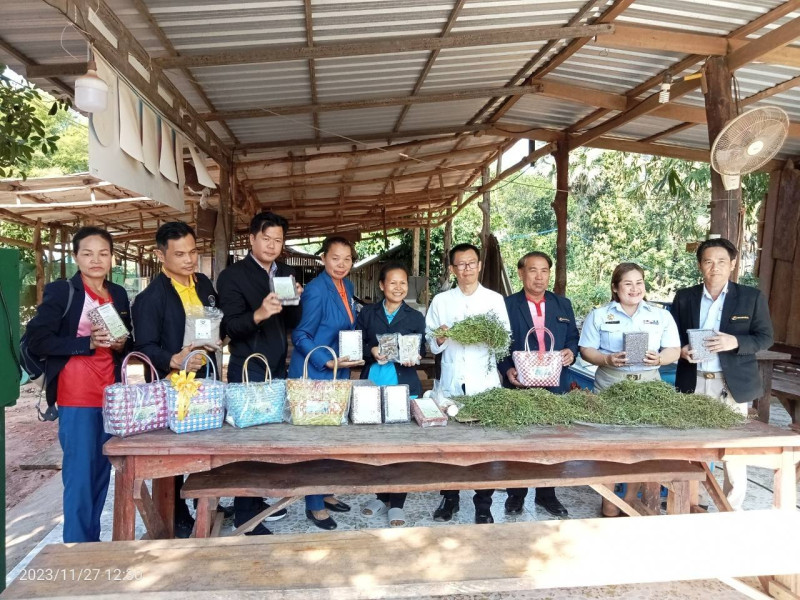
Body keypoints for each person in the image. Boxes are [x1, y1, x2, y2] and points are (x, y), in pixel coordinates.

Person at [26, 227, 131, 542]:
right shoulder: (64, 291)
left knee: (101, 473)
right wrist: (86, 343)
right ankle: (75, 548)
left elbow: (127, 341)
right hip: (76, 396)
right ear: (75, 257)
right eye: (87, 253)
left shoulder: (118, 293)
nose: (96, 260)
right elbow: (38, 339)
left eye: (103, 253)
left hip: (111, 396)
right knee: (80, 477)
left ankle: (91, 543)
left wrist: (122, 343)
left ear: (111, 258)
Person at [131, 221, 221, 538]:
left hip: (206, 377)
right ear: (161, 255)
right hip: (174, 385)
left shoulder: (203, 284)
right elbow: (144, 347)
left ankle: (203, 502)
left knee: (205, 445)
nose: (189, 259)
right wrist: (174, 359)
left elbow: (214, 320)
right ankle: (175, 513)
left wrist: (217, 339)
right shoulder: (151, 299)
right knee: (174, 454)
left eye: (193, 252)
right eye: (180, 254)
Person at [671, 237, 773, 511]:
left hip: (731, 384)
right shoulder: (685, 297)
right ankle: (695, 503)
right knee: (691, 445)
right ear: (700, 265)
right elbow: (672, 336)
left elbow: (765, 337)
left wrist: (734, 342)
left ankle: (731, 508)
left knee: (734, 449)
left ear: (733, 264)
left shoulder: (751, 297)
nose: (714, 267)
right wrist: (680, 350)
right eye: (708, 262)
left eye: (721, 261)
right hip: (693, 381)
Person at [217, 211, 299, 535]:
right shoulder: (233, 276)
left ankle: (255, 499)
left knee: (268, 440)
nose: (272, 245)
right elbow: (230, 327)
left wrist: (297, 300)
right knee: (247, 444)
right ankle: (244, 516)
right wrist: (260, 313)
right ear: (251, 239)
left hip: (276, 366)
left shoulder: (285, 272)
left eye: (278, 240)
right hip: (248, 367)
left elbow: (291, 324)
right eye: (266, 238)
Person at [579, 262, 681, 516]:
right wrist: (606, 359)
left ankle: (631, 496)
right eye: (628, 283)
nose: (635, 289)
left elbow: (674, 349)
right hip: (611, 384)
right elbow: (586, 349)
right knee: (608, 444)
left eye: (639, 283)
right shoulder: (599, 315)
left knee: (642, 444)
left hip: (648, 385)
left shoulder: (661, 316)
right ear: (615, 287)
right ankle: (608, 497)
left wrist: (660, 359)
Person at [425, 242, 511, 524]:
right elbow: (431, 343)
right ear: (452, 269)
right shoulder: (441, 301)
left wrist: (490, 336)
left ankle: (483, 505)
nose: (466, 269)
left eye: (471, 263)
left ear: (479, 265)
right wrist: (440, 337)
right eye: (460, 264)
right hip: (451, 382)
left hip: (483, 382)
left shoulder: (494, 300)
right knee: (449, 447)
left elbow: (504, 341)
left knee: (484, 447)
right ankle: (449, 499)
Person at [289, 236, 362, 530]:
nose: (341, 264)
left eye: (347, 259)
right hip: (316, 372)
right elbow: (300, 335)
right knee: (316, 442)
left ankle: (326, 491)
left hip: (337, 370)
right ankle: (314, 504)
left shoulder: (348, 286)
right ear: (323, 259)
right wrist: (326, 361)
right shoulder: (316, 290)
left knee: (332, 437)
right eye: (335, 258)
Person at [499, 251, 579, 519]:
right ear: (521, 273)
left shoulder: (562, 304)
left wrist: (571, 352)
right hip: (519, 384)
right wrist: (507, 369)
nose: (539, 277)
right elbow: (498, 344)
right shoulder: (507, 305)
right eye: (533, 270)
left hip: (555, 385)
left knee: (552, 441)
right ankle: (516, 494)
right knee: (518, 440)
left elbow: (573, 337)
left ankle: (547, 494)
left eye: (544, 271)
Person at [356, 262, 426, 527]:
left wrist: (413, 356)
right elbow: (357, 343)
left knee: (401, 447)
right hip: (373, 384)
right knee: (375, 446)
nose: (398, 287)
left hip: (403, 386)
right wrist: (371, 350)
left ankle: (397, 503)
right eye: (393, 282)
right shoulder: (368, 313)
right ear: (382, 285)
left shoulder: (415, 316)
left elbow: (421, 350)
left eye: (403, 283)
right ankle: (379, 496)